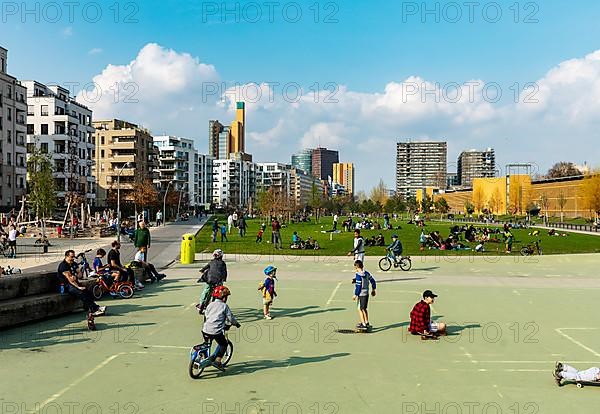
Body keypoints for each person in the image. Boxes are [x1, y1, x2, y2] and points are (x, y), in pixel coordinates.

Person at [58, 250, 106, 330]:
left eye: (74, 256)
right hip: (66, 285)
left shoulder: (73, 264)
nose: (73, 258)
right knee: (80, 292)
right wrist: (78, 287)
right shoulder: (63, 266)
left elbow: (80, 274)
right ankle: (94, 309)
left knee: (87, 291)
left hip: (75, 283)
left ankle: (92, 307)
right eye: (71, 257)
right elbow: (70, 280)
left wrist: (76, 277)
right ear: (66, 256)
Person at [202, 286, 241, 371]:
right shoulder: (224, 306)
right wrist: (236, 324)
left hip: (205, 329)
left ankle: (203, 356)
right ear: (224, 298)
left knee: (207, 343)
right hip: (216, 331)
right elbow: (230, 318)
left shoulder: (210, 305)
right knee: (223, 344)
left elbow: (206, 315)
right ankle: (218, 361)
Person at [196, 249, 228, 314]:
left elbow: (206, 267)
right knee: (218, 292)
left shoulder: (211, 262)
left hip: (209, 280)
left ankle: (201, 304)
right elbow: (225, 272)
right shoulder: (223, 263)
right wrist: (224, 278)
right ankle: (216, 304)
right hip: (218, 281)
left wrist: (202, 270)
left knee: (206, 290)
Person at [352, 260, 376, 330]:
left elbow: (359, 286)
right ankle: (366, 322)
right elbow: (373, 281)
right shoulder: (367, 273)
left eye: (355, 268)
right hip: (366, 293)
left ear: (357, 267)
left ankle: (363, 324)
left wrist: (355, 295)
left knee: (359, 309)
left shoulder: (358, 275)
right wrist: (373, 289)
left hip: (361, 294)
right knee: (364, 309)